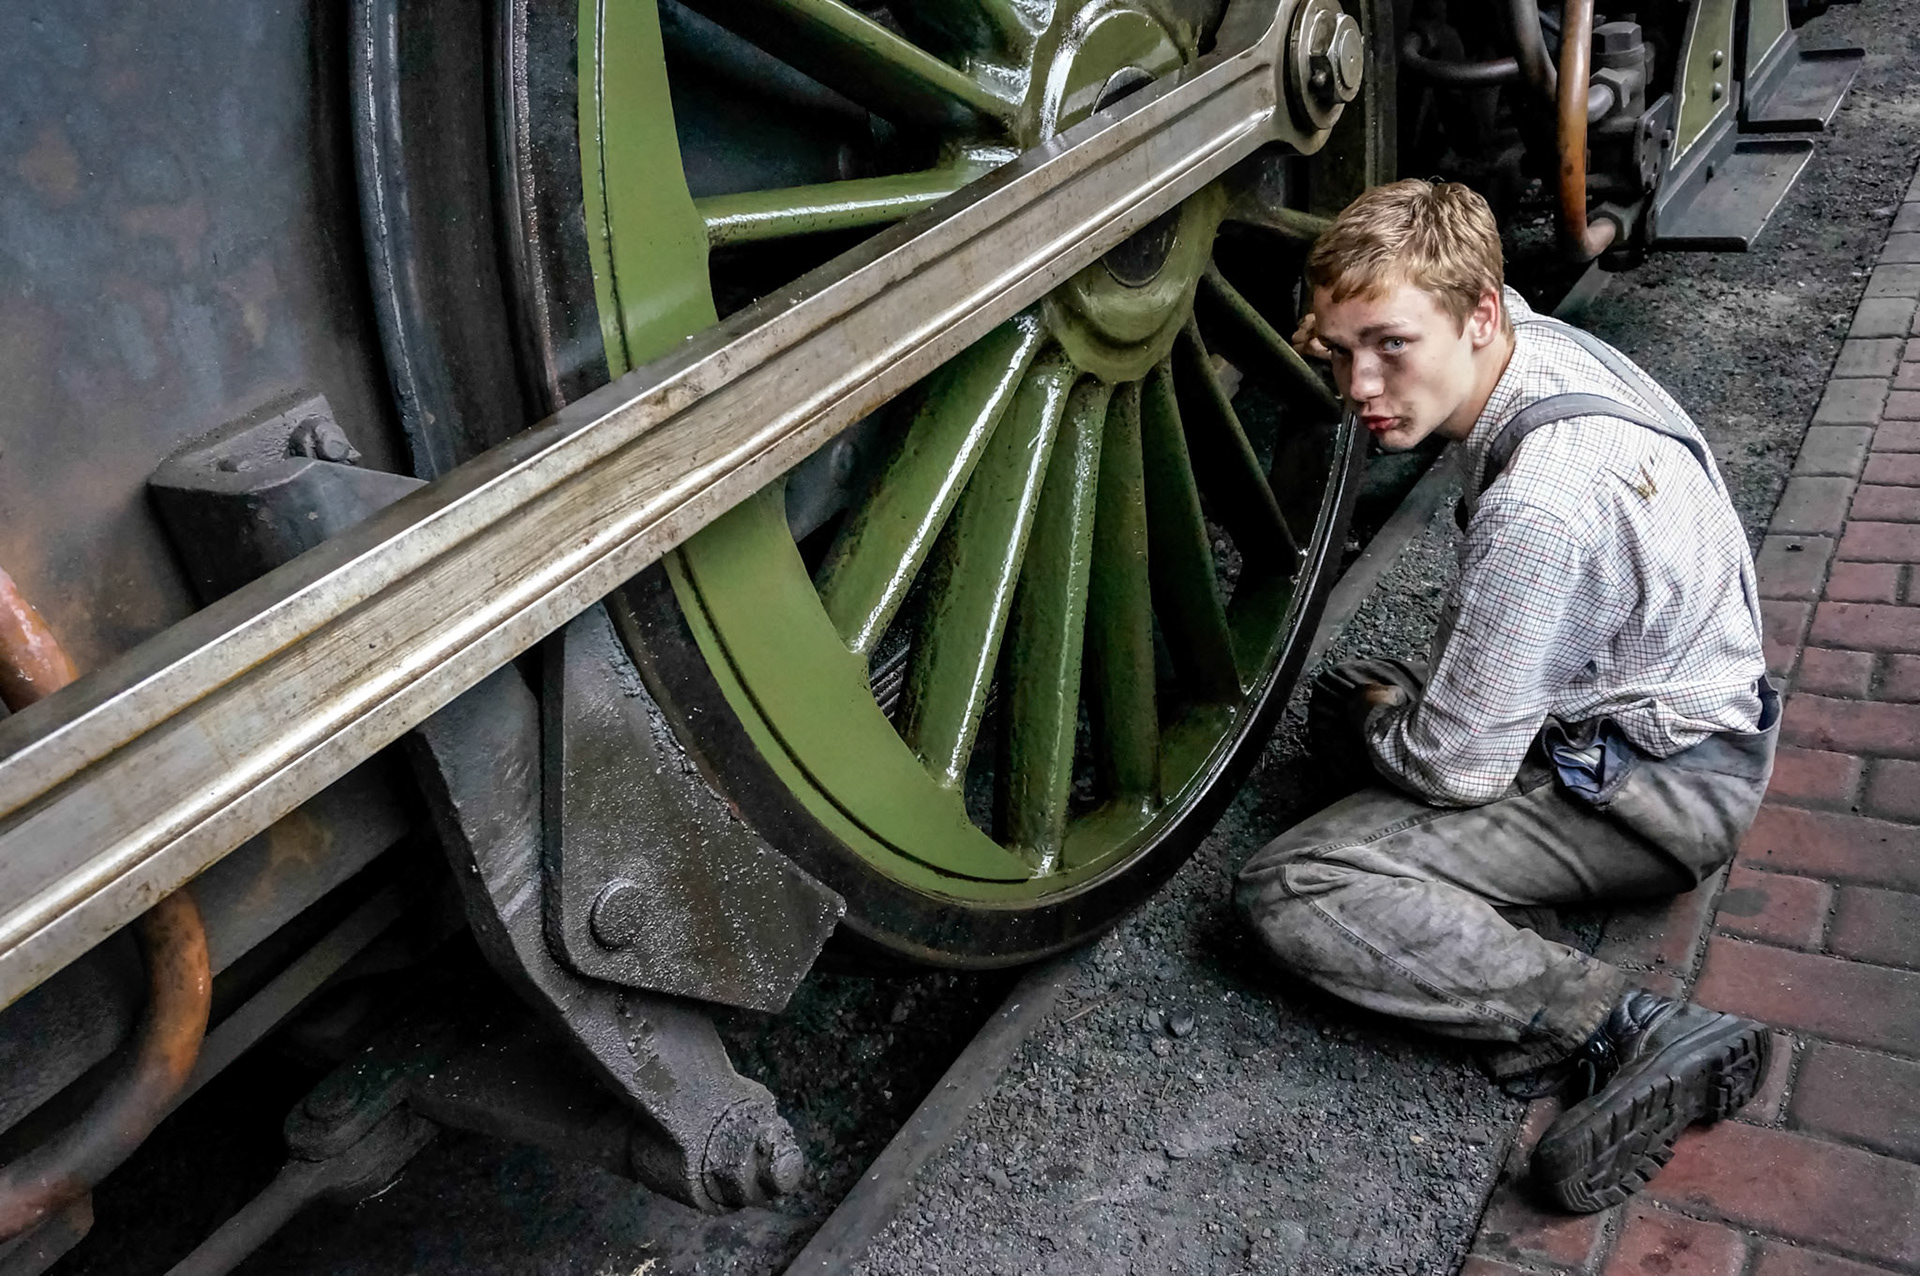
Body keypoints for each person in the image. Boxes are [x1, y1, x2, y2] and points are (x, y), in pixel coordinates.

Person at [1235, 179, 1778, 1213]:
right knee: (1361, 701)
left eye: (1391, 346)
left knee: (1296, 884)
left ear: (1479, 312)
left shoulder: (1544, 502)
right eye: (1340, 350)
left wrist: (1385, 729)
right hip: (1675, 720)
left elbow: (1457, 767)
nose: (1359, 382)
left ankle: (1622, 1026)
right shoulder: (1534, 345)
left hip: (1656, 790)